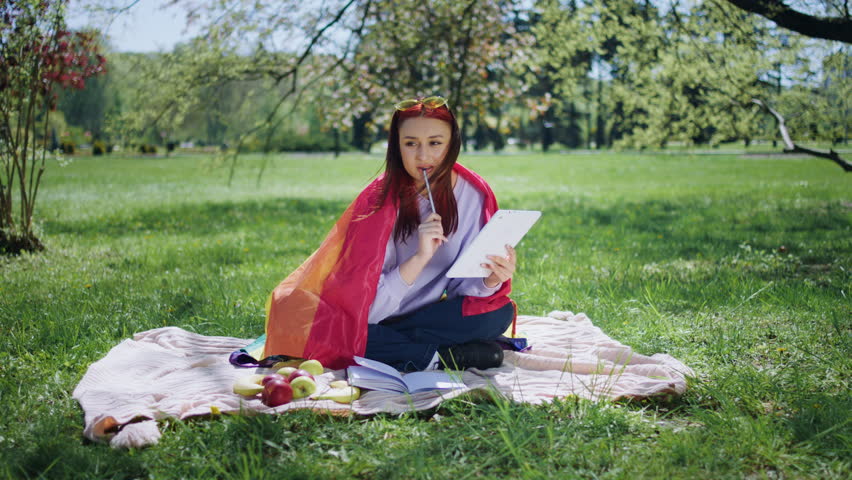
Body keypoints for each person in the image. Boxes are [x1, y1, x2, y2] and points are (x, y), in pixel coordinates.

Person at [263, 96, 517, 372]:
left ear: (452, 144)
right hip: (372, 318)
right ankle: (442, 358)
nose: (423, 156)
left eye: (435, 143)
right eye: (411, 144)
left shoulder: (474, 194)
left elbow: (463, 294)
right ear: (397, 147)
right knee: (337, 334)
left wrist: (490, 279)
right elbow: (367, 313)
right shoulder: (377, 202)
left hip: (425, 317)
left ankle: (405, 352)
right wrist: (419, 257)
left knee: (497, 313)